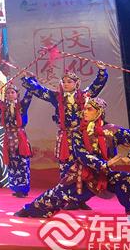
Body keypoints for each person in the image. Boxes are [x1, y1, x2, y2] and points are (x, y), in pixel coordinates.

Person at [15, 97, 130, 218]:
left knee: (128, 179)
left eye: (89, 109)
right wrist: (104, 164)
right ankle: (29, 210)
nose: (84, 112)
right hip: (83, 176)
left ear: (99, 112)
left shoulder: (112, 130)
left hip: (104, 176)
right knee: (55, 195)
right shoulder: (78, 132)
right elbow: (82, 155)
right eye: (84, 109)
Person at [21, 63, 107, 209]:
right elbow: (39, 91)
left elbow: (97, 85)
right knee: (66, 167)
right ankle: (67, 199)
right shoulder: (57, 97)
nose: (66, 84)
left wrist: (102, 70)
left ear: (76, 84)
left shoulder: (85, 96)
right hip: (65, 138)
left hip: (81, 137)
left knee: (83, 167)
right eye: (64, 81)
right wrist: (26, 79)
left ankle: (80, 199)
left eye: (69, 82)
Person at [0, 80, 33, 197]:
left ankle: (23, 189)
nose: (10, 95)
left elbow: (29, 93)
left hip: (20, 138)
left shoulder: (22, 105)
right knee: (12, 164)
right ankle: (15, 187)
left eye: (12, 92)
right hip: (9, 138)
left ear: (17, 94)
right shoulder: (3, 106)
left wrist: (30, 81)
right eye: (8, 93)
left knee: (22, 164)